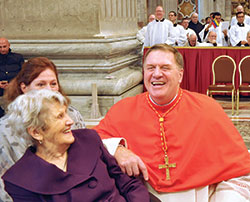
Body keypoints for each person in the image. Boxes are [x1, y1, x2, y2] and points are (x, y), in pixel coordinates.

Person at [95, 44, 250, 202]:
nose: (156, 74)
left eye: (165, 68)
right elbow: (92, 140)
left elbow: (239, 172)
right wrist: (118, 149)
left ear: (180, 75)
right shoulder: (123, 109)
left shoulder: (208, 109)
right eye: (150, 68)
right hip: (144, 196)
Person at [1, 89, 150, 201]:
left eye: (66, 113)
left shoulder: (89, 139)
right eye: (60, 116)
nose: (70, 121)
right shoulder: (19, 180)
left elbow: (128, 184)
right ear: (36, 132)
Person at [0, 57, 85, 202]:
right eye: (40, 84)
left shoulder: (72, 115)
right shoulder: (5, 129)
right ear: (24, 88)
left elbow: (84, 155)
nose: (49, 90)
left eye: (53, 84)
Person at [0, 38, 24, 118]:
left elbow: (23, 73)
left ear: (9, 46)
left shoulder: (18, 58)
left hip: (15, 87)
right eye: (0, 47)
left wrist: (12, 83)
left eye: (4, 46)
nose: (2, 49)